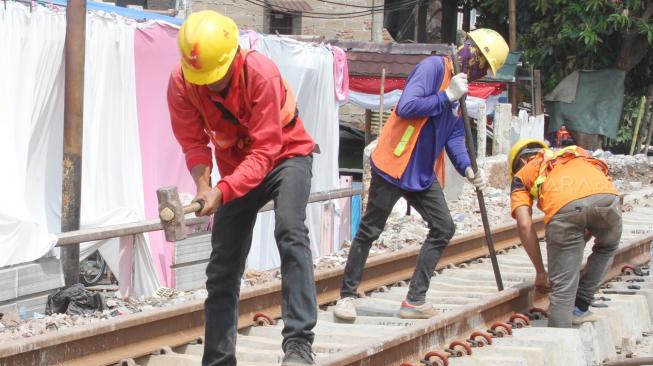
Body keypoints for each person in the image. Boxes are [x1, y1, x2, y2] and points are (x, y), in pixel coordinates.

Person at [167, 10, 318, 366]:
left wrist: (222, 190)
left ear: (233, 55)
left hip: (286, 155)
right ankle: (218, 359)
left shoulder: (260, 73)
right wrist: (205, 186)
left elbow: (266, 150)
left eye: (214, 78)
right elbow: (193, 141)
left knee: (290, 231)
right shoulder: (182, 81)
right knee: (223, 264)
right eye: (201, 78)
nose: (208, 85)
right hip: (235, 171)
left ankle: (298, 346)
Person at [333, 29, 509, 320]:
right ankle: (347, 298)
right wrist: (446, 95)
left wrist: (468, 168)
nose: (480, 74)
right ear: (471, 54)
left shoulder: (460, 89)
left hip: (422, 173)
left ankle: (415, 300)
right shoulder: (435, 69)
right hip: (393, 166)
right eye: (482, 66)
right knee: (370, 230)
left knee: (444, 227)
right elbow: (407, 106)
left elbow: (454, 136)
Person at [508, 139, 622, 328]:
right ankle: (580, 307)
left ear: (521, 162)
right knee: (607, 246)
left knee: (562, 288)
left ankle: (560, 332)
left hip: (563, 209)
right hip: (608, 200)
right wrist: (578, 242)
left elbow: (524, 225)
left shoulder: (522, 175)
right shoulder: (575, 152)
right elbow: (593, 196)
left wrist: (540, 272)